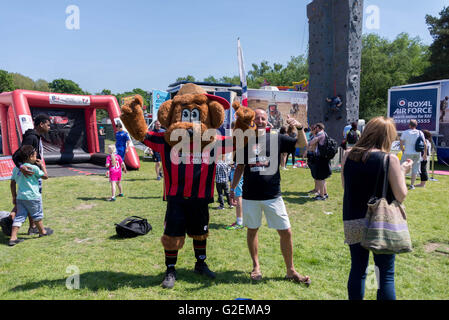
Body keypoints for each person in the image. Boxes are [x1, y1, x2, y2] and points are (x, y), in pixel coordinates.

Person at [230, 109, 311, 285]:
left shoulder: (277, 139)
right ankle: (256, 266)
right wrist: (232, 188)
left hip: (273, 195)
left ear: (268, 121)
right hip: (250, 196)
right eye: (257, 118)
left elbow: (301, 144)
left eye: (263, 118)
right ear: (252, 121)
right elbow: (240, 167)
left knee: (286, 232)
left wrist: (299, 128)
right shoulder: (245, 141)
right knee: (252, 230)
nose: (260, 120)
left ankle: (290, 270)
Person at [341, 116, 412, 300]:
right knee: (384, 274)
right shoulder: (390, 160)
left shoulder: (348, 154)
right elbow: (401, 195)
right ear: (387, 136)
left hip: (353, 217)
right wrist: (402, 172)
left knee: (358, 269)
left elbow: (345, 186)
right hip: (380, 221)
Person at [12, 113, 51, 235]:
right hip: (30, 174)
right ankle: (10, 219)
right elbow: (17, 155)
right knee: (31, 200)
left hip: (33, 172)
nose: (49, 127)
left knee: (28, 200)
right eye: (48, 125)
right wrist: (21, 166)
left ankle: (32, 227)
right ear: (41, 124)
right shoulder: (32, 138)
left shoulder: (36, 137)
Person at [9, 145, 54, 246]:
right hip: (33, 197)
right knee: (37, 215)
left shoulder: (16, 169)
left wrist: (14, 196)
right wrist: (42, 165)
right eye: (35, 155)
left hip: (21, 197)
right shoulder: (33, 168)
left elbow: (12, 183)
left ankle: (13, 237)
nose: (36, 156)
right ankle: (43, 232)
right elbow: (46, 176)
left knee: (20, 217)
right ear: (30, 157)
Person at [399, 119, 427, 190]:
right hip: (417, 153)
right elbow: (425, 144)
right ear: (416, 125)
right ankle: (412, 185)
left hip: (407, 152)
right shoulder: (420, 132)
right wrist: (425, 154)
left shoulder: (405, 132)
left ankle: (402, 184)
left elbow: (401, 142)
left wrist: (402, 149)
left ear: (409, 125)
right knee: (415, 169)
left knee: (402, 168)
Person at [307, 123, 331, 200]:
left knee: (320, 178)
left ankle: (321, 196)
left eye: (316, 127)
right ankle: (325, 193)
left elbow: (311, 143)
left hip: (320, 158)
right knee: (323, 178)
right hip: (324, 158)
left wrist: (309, 144)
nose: (315, 129)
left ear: (318, 128)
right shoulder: (325, 134)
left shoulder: (320, 134)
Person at [226, 162, 244, 230]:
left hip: (238, 170)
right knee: (239, 196)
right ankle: (240, 220)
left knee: (238, 196)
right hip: (237, 169)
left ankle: (239, 223)